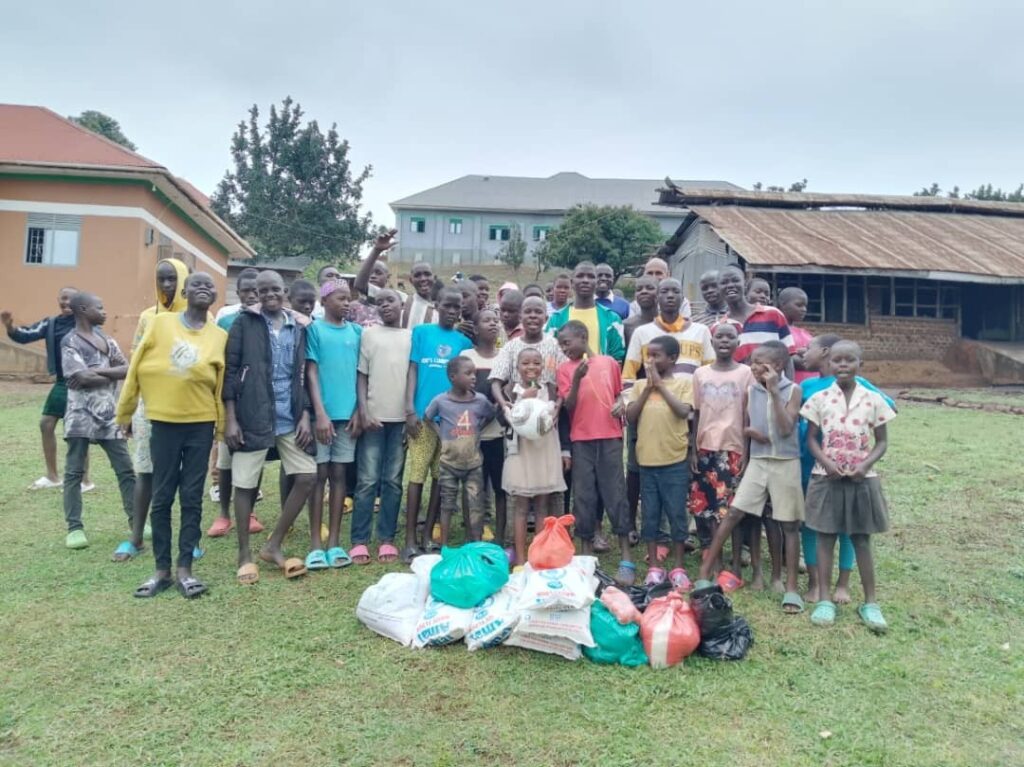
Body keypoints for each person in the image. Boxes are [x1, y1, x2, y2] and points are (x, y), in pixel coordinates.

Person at [116, 272, 226, 599]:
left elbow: (219, 385)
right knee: (162, 494)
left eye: (209, 286)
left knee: (192, 497)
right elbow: (135, 367)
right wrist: (125, 411)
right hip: (162, 422)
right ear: (185, 291)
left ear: (215, 295)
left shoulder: (219, 336)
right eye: (197, 285)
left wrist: (219, 428)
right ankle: (161, 570)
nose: (203, 288)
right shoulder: (161, 324)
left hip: (200, 424)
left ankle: (185, 569)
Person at [695, 341, 805, 613]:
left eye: (760, 363)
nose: (754, 368)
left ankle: (791, 588)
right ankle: (704, 575)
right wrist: (750, 441)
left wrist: (774, 393)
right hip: (757, 461)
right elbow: (747, 425)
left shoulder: (793, 390)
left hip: (785, 462)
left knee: (788, 524)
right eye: (752, 362)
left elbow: (785, 427)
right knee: (734, 513)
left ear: (778, 366)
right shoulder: (750, 389)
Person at [224, 271, 317, 585]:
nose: (268, 295)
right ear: (256, 293)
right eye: (262, 291)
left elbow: (301, 374)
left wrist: (305, 413)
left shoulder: (298, 326)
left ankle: (273, 544)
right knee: (246, 484)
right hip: (252, 414)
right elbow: (231, 372)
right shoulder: (244, 324)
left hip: (289, 413)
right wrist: (231, 418)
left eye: (274, 289)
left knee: (306, 476)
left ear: (285, 291)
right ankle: (244, 555)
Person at [803, 341, 896, 633]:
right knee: (825, 537)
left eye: (850, 360)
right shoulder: (819, 398)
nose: (843, 365)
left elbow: (881, 442)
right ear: (830, 365)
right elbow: (811, 440)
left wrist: (864, 465)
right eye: (838, 361)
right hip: (825, 478)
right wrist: (826, 463)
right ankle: (825, 600)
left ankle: (870, 602)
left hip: (861, 480)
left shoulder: (872, 399)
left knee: (861, 538)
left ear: (860, 365)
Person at [124, 258, 190, 558]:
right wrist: (127, 409)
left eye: (172, 279)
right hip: (149, 408)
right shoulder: (147, 317)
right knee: (146, 472)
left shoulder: (200, 317)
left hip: (189, 409)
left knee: (187, 477)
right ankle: (136, 537)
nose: (167, 286)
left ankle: (191, 540)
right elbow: (135, 364)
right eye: (162, 279)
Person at [556, 321, 633, 581]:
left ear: (583, 336)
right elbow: (568, 405)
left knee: (615, 493)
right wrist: (577, 378)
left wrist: (621, 403)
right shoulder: (565, 370)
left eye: (567, 343)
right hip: (582, 440)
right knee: (584, 496)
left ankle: (626, 557)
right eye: (560, 345)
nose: (564, 349)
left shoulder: (609, 363)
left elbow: (620, 394)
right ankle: (585, 555)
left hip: (610, 437)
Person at [60, 293, 134, 551]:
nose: (104, 312)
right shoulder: (69, 341)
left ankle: (137, 521)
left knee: (126, 469)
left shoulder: (107, 339)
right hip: (79, 415)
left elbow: (127, 370)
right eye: (99, 307)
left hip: (108, 415)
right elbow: (80, 376)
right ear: (82, 309)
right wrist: (103, 373)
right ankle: (74, 527)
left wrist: (97, 372)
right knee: (74, 472)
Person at [403, 288, 472, 561]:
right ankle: (409, 539)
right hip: (422, 417)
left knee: (439, 478)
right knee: (417, 474)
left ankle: (428, 535)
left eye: (457, 307)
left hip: (450, 421)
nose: (453, 311)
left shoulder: (463, 341)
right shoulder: (421, 332)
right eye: (448, 305)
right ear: (437, 305)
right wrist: (409, 408)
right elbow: (413, 370)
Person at [3, 286, 89, 490]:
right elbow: (26, 335)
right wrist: (10, 327)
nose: (66, 303)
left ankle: (85, 481)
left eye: (71, 299)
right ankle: (52, 476)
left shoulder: (87, 323)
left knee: (77, 431)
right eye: (63, 299)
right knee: (46, 424)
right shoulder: (51, 323)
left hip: (82, 382)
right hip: (62, 382)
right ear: (58, 300)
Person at [626, 335, 695, 589]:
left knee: (677, 512)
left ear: (673, 358)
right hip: (647, 461)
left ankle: (678, 566)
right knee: (651, 514)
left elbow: (682, 412)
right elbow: (631, 417)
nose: (651, 360)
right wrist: (647, 388)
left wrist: (661, 387)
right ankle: (654, 566)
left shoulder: (683, 385)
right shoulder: (639, 385)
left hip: (674, 460)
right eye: (648, 355)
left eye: (657, 356)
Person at [688, 321, 755, 578]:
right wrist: (692, 450)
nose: (724, 341)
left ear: (738, 343)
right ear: (712, 342)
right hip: (705, 447)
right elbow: (695, 413)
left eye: (730, 337)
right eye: (719, 337)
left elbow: (748, 415)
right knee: (706, 506)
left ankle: (732, 560)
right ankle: (712, 557)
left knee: (729, 508)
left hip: (733, 447)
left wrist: (747, 451)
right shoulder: (700, 374)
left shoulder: (745, 373)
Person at [306, 279, 362, 570]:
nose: (346, 303)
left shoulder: (357, 332)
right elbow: (311, 372)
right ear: (325, 300)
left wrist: (358, 411)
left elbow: (360, 375)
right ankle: (316, 542)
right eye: (340, 298)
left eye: (349, 299)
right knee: (319, 476)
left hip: (347, 417)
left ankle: (335, 541)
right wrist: (320, 413)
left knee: (340, 474)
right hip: (322, 419)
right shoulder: (314, 330)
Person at [353, 288, 410, 565]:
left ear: (402, 304)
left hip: (401, 421)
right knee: (366, 480)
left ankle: (386, 538)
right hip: (373, 419)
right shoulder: (369, 334)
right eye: (380, 302)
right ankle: (359, 539)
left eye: (391, 301)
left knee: (393, 481)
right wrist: (364, 411)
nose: (385, 305)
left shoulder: (412, 336)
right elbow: (361, 376)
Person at [208, 267, 264, 533]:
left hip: (257, 403)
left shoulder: (268, 319)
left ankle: (250, 511)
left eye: (257, 290)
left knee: (254, 460)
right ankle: (223, 513)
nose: (252, 295)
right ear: (238, 292)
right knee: (226, 461)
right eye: (246, 291)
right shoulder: (226, 319)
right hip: (229, 400)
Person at [501, 347, 566, 565]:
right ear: (517, 367)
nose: (531, 367)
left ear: (543, 366)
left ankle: (537, 557)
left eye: (536, 363)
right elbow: (508, 419)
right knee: (520, 506)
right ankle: (520, 560)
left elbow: (555, 416)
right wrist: (522, 401)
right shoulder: (511, 390)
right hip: (521, 451)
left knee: (542, 506)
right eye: (525, 363)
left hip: (545, 449)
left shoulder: (550, 388)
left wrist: (554, 408)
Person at [425, 357, 495, 545]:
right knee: (447, 504)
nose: (474, 377)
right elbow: (428, 417)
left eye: (475, 373)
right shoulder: (441, 401)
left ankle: (474, 543)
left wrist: (478, 428)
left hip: (473, 464)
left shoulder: (480, 400)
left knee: (475, 504)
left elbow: (491, 414)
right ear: (452, 377)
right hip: (448, 463)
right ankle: (445, 545)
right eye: (468, 373)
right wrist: (441, 434)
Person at [461, 309, 505, 544]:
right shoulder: (466, 355)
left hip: (497, 434)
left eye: (495, 320)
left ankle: (499, 538)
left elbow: (505, 395)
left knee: (500, 487)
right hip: (470, 434)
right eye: (487, 320)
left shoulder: (504, 357)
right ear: (475, 329)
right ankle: (473, 536)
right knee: (472, 488)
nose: (493, 323)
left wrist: (492, 415)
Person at [621, 274, 658, 543]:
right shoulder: (629, 325)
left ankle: (657, 523)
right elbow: (628, 366)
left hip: (665, 397)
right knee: (634, 465)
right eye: (639, 288)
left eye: (650, 287)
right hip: (638, 397)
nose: (644, 291)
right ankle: (630, 519)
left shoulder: (668, 325)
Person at [622, 278, 713, 383]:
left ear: (682, 298)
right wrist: (632, 399)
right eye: (664, 292)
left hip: (691, 398)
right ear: (656, 298)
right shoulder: (641, 332)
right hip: (654, 397)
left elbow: (711, 372)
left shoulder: (701, 331)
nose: (670, 295)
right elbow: (628, 376)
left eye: (676, 291)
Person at [546, 262, 625, 363]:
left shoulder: (612, 319)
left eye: (591, 277)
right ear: (572, 282)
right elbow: (550, 355)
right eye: (580, 276)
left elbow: (617, 360)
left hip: (600, 377)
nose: (585, 280)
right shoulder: (556, 319)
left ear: (597, 282)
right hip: (566, 378)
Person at [718, 265, 795, 364]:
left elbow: (788, 357)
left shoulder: (774, 315)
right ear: (718, 288)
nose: (730, 285)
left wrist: (788, 380)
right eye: (724, 282)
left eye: (735, 280)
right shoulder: (719, 328)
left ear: (745, 284)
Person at [627, 257, 692, 319]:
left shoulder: (681, 302)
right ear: (644, 275)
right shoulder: (635, 305)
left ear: (668, 275)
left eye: (658, 273)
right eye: (650, 273)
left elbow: (685, 327)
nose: (654, 277)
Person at [778, 287, 815, 384]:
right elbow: (785, 358)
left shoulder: (804, 332)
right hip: (793, 389)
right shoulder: (778, 329)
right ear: (783, 304)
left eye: (805, 306)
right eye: (799, 305)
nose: (804, 309)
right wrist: (815, 359)